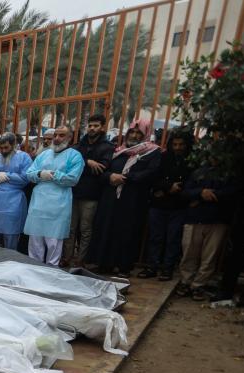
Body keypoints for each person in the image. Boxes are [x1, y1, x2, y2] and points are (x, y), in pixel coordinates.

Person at [87, 120, 161, 276]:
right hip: (111, 197)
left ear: (145, 135)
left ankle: (124, 266)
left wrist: (127, 178)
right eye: (132, 133)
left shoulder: (152, 152)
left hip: (133, 199)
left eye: (138, 133)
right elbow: (102, 170)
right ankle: (104, 263)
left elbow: (151, 173)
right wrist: (110, 176)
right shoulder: (117, 151)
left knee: (128, 231)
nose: (134, 136)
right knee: (108, 228)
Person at [175, 160, 238, 301]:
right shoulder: (198, 172)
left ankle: (198, 285)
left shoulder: (230, 174)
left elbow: (232, 193)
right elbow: (185, 192)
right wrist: (200, 193)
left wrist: (207, 196)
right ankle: (185, 282)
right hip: (194, 218)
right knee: (189, 253)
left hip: (218, 220)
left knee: (209, 256)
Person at [24, 125, 85, 266]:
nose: (57, 138)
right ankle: (33, 272)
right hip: (39, 204)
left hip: (58, 205)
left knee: (53, 242)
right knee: (35, 241)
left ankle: (51, 274)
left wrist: (52, 174)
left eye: (61, 135)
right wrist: (40, 174)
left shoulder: (75, 156)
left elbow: (73, 179)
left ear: (70, 138)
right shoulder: (44, 154)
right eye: (55, 135)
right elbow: (29, 174)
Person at [139, 129, 193, 280]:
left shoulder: (191, 160)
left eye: (181, 144)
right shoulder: (162, 158)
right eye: (175, 144)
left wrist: (173, 189)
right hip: (159, 205)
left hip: (179, 206)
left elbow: (191, 181)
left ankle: (167, 269)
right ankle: (152, 266)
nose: (177, 148)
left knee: (173, 239)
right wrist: (168, 187)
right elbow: (153, 177)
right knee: (155, 237)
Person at [65, 113, 114, 267]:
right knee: (70, 228)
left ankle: (81, 259)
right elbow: (70, 165)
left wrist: (83, 165)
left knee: (85, 229)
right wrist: (88, 162)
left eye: (96, 126)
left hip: (91, 194)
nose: (92, 129)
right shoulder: (78, 145)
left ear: (102, 127)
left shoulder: (107, 147)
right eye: (90, 125)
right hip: (74, 192)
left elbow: (101, 169)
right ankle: (67, 257)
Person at [0, 133, 32, 250]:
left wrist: (7, 176)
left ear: (14, 145)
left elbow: (25, 178)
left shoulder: (24, 157)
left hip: (13, 201)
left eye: (6, 148)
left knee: (11, 234)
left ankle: (10, 262)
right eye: (1, 147)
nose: (3, 151)